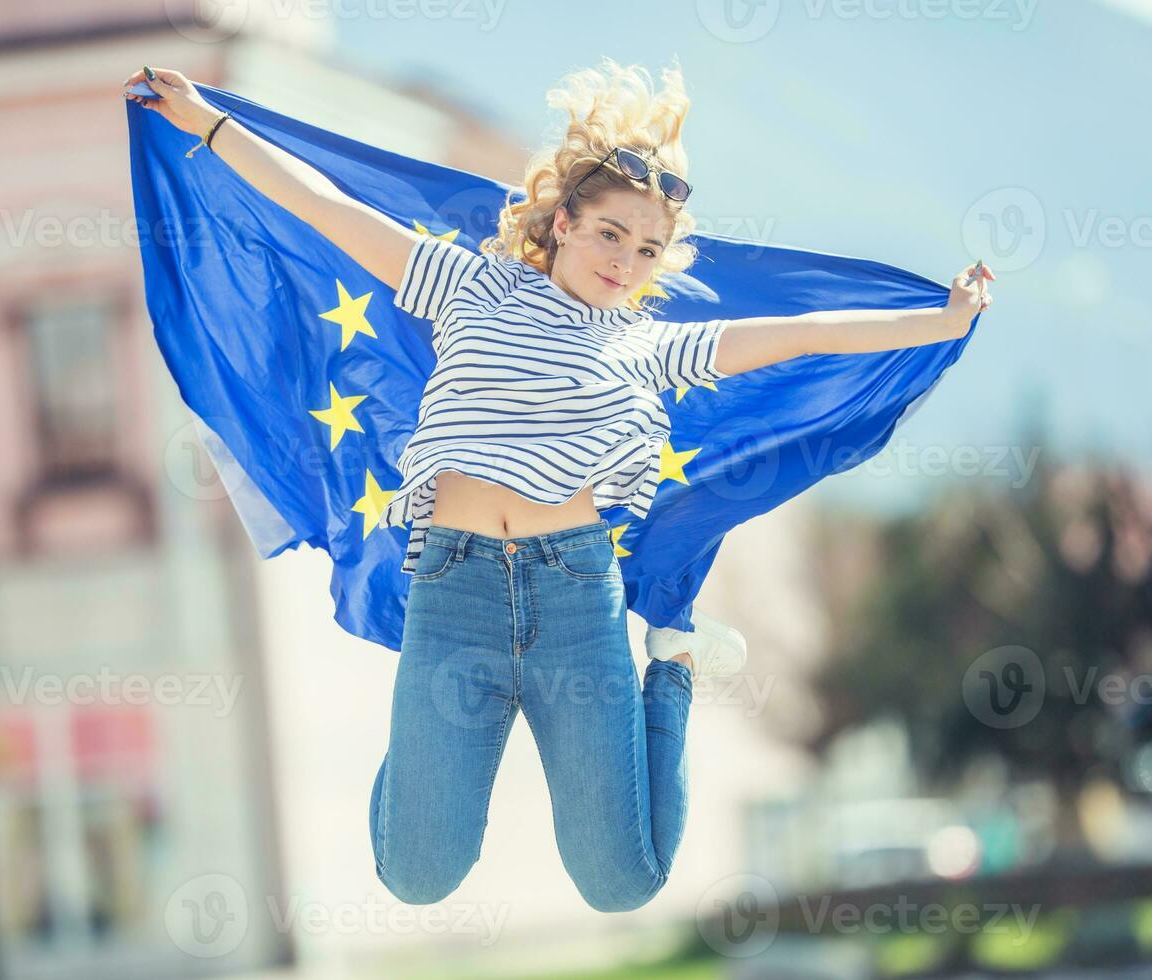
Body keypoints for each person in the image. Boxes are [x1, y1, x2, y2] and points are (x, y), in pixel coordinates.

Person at [124, 58, 993, 912]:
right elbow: (326, 207)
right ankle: (421, 733)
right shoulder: (468, 284)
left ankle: (677, 667)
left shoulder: (649, 346)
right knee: (415, 874)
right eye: (611, 233)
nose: (625, 260)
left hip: (576, 603)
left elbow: (799, 336)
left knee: (624, 883)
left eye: (647, 249)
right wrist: (207, 121)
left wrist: (943, 318)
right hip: (453, 597)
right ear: (564, 220)